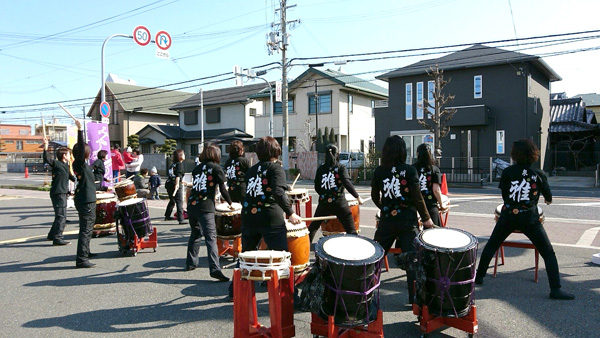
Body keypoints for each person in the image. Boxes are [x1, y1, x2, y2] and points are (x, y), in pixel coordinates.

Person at [475, 139, 575, 300]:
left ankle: (479, 277)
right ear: (533, 153)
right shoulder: (539, 174)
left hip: (507, 217)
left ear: (515, 154)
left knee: (492, 245)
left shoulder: (507, 172)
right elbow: (548, 197)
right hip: (530, 220)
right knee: (548, 253)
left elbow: (505, 196)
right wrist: (543, 199)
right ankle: (555, 289)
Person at [229, 136, 302, 299]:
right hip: (270, 219)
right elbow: (277, 192)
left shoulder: (252, 170)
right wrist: (290, 213)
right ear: (275, 151)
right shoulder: (276, 169)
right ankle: (290, 296)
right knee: (282, 257)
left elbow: (265, 187)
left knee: (246, 255)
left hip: (249, 217)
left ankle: (234, 291)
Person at [371, 135, 433, 304]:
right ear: (402, 151)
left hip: (386, 222)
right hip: (408, 221)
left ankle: (365, 293)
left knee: (374, 257)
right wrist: (427, 219)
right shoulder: (409, 170)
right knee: (412, 260)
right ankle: (415, 300)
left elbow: (374, 196)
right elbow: (417, 198)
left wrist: (385, 208)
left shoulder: (379, 171)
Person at [186, 143, 234, 282]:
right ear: (216, 155)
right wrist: (230, 203)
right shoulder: (216, 168)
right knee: (211, 238)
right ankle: (215, 269)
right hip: (205, 207)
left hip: (192, 205)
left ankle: (191, 263)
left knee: (195, 233)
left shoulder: (197, 169)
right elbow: (223, 189)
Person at [308, 143, 365, 243]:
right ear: (337, 154)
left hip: (324, 203)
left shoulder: (321, 169)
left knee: (313, 227)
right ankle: (355, 253)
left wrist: (325, 195)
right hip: (339, 203)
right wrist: (357, 197)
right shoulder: (340, 167)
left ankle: (304, 251)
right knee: (351, 230)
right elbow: (347, 183)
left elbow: (317, 187)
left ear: (325, 154)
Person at [72, 119, 97, 268]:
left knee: (88, 228)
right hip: (85, 201)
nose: (91, 152)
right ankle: (81, 259)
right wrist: (80, 130)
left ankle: (86, 251)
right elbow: (81, 148)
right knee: (86, 229)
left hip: (87, 198)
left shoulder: (84, 165)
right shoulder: (79, 163)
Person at [43, 137, 75, 246]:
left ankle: (52, 235)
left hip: (62, 192)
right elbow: (47, 158)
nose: (70, 156)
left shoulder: (66, 165)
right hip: (57, 193)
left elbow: (70, 177)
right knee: (62, 216)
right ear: (63, 155)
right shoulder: (56, 163)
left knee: (59, 215)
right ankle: (58, 238)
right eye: (68, 154)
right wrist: (46, 146)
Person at [413, 143, 447, 227]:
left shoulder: (412, 169)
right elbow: (436, 190)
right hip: (430, 206)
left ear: (417, 154)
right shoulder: (434, 169)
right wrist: (441, 204)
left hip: (414, 206)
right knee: (432, 235)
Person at [165, 149, 186, 223]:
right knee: (179, 201)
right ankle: (180, 219)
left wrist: (181, 181)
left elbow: (173, 174)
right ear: (180, 156)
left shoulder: (172, 164)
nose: (184, 155)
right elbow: (178, 175)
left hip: (169, 183)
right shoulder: (179, 164)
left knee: (172, 200)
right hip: (175, 184)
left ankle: (167, 216)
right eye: (183, 154)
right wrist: (177, 184)